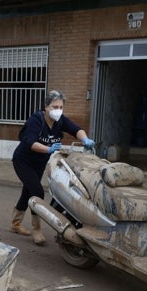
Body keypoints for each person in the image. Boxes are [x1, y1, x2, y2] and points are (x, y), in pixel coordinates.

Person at [11, 90, 95, 245]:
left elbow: (76, 129)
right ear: (46, 107)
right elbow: (30, 142)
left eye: (60, 107)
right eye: (54, 106)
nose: (58, 110)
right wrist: (48, 149)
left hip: (39, 162)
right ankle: (37, 230)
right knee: (37, 191)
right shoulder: (35, 120)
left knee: (28, 190)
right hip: (23, 160)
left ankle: (15, 224)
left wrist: (85, 139)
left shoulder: (60, 120)